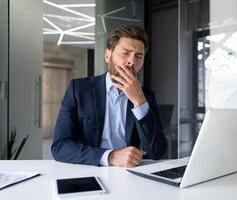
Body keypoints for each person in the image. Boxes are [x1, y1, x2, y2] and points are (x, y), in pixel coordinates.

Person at [51, 25, 167, 167]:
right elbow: (60, 147)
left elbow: (157, 151)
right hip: (89, 169)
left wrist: (139, 102)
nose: (132, 61)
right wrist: (111, 157)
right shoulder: (79, 90)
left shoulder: (146, 96)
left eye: (138, 56)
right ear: (108, 55)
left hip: (131, 174)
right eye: (125, 53)